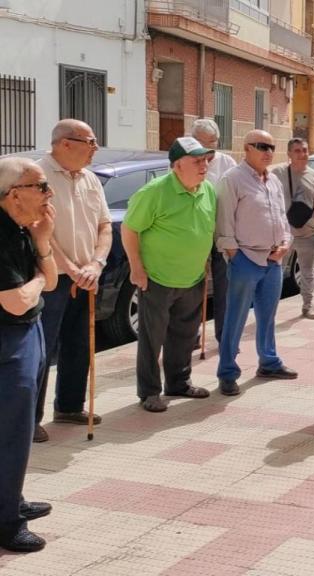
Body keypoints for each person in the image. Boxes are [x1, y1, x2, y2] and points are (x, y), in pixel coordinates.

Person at [122, 137, 217, 413]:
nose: (204, 165)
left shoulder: (207, 190)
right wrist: (136, 268)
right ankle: (149, 392)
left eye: (206, 160)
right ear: (177, 165)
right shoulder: (155, 192)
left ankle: (178, 382)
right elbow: (129, 230)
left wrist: (203, 260)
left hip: (192, 278)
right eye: (197, 161)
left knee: (185, 334)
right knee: (152, 339)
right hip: (157, 279)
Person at [34, 119, 111, 443]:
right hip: (53, 278)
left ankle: (69, 405)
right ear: (65, 143)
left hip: (86, 275)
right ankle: (29, 417)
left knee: (80, 344)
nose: (96, 148)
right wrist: (70, 268)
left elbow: (104, 226)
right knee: (41, 349)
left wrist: (95, 263)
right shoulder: (37, 177)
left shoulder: (91, 179)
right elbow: (38, 229)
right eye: (90, 141)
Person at [0, 157, 58, 552]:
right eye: (41, 186)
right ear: (14, 194)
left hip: (27, 333)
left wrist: (42, 243)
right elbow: (17, 301)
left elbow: (50, 281)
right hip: (9, 338)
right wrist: (38, 278)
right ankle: (7, 523)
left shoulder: (23, 228)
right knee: (11, 433)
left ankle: (12, 499)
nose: (48, 194)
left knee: (19, 430)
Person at [215, 130, 296, 396]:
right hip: (245, 259)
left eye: (272, 146)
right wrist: (235, 256)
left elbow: (282, 219)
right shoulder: (232, 179)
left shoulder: (273, 180)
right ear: (246, 148)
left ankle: (269, 362)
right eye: (262, 146)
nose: (268, 152)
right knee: (235, 318)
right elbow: (224, 223)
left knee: (268, 316)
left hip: (273, 260)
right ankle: (227, 372)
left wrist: (285, 243)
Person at [192, 118, 237, 344]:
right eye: (202, 142)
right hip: (195, 234)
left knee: (224, 286)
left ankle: (224, 336)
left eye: (212, 142)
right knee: (192, 286)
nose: (208, 148)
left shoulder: (227, 163)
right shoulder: (187, 161)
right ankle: (192, 335)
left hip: (221, 233)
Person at [271, 138, 314, 319]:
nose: (302, 154)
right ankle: (269, 307)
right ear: (289, 154)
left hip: (307, 234)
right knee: (274, 271)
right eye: (297, 151)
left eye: (305, 150)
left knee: (307, 272)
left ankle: (308, 306)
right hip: (281, 235)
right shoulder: (277, 173)